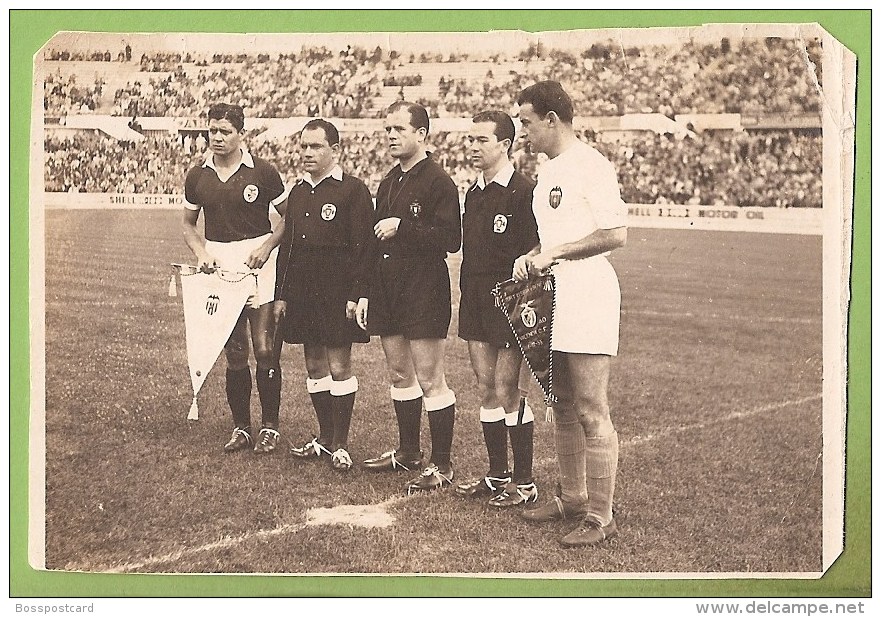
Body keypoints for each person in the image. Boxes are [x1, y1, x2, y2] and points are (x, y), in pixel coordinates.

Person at [512, 81, 627, 547]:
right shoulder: (547, 171)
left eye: (526, 121)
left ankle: (601, 515)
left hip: (589, 292)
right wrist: (533, 254)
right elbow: (554, 237)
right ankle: (573, 498)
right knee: (559, 403)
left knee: (591, 408)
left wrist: (555, 251)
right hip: (551, 294)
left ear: (552, 119)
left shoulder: (591, 165)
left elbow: (615, 233)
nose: (522, 132)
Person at [356, 101, 462, 494]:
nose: (391, 136)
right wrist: (366, 292)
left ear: (422, 134)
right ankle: (408, 451)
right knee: (399, 373)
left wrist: (404, 226)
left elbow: (450, 240)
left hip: (423, 287)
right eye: (387, 130)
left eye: (399, 129)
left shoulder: (438, 182)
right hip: (387, 289)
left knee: (431, 377)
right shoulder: (387, 182)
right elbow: (371, 240)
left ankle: (442, 463)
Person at [182, 103, 288, 454]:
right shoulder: (198, 175)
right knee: (235, 351)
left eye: (225, 131)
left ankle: (270, 426)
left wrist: (268, 246)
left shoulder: (263, 171)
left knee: (264, 347)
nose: (217, 137)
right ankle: (242, 427)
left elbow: (288, 219)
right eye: (212, 130)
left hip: (257, 262)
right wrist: (202, 254)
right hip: (219, 265)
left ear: (241, 133)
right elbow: (188, 225)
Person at [275, 119, 373, 472]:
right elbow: (287, 248)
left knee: (339, 365)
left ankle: (342, 444)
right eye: (303, 146)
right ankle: (325, 438)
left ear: (335, 150)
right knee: (314, 365)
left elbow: (365, 248)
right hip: (303, 292)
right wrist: (281, 295)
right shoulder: (298, 192)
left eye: (316, 147)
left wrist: (357, 293)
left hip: (337, 293)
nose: (307, 153)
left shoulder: (353, 190)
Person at [454, 110, 540, 508]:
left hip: (511, 298)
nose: (472, 147)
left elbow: (539, 245)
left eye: (481, 140)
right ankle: (496, 474)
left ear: (505, 145)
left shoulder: (524, 192)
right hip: (474, 296)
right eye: (470, 140)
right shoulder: (473, 192)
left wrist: (527, 263)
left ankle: (523, 482)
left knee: (508, 389)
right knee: (486, 387)